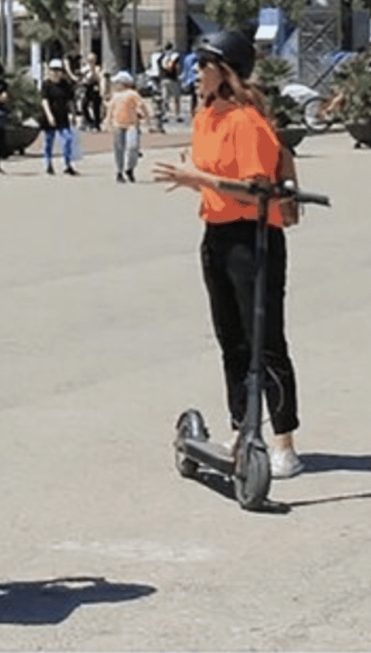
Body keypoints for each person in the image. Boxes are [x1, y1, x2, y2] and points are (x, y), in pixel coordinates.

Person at [152, 31, 305, 479]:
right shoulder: (205, 118)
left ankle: (284, 444)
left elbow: (257, 189)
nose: (195, 73)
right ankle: (242, 430)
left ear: (226, 71)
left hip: (253, 237)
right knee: (231, 341)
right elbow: (209, 173)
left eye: (203, 64)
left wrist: (197, 176)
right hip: (216, 235)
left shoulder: (247, 121)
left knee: (266, 341)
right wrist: (193, 176)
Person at [107, 70, 148, 183]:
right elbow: (111, 109)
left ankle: (130, 168)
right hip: (118, 124)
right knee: (119, 149)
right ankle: (119, 171)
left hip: (132, 125)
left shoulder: (133, 94)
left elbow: (141, 105)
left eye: (117, 83)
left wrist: (145, 116)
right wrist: (108, 121)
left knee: (132, 147)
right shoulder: (115, 96)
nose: (115, 85)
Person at [39, 59, 78, 176]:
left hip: (63, 116)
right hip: (50, 116)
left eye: (58, 70)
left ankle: (67, 164)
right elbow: (44, 101)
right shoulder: (46, 85)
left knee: (67, 139)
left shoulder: (66, 85)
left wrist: (74, 114)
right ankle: (48, 163)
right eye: (53, 70)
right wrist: (49, 115)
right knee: (48, 141)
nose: (56, 73)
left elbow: (70, 101)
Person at [80, 52, 105, 132]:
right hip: (87, 88)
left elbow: (100, 79)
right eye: (89, 60)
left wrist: (93, 70)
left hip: (95, 88)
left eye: (92, 60)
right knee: (84, 105)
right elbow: (82, 77)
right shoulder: (85, 68)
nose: (91, 61)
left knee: (96, 107)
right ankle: (89, 121)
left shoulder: (98, 68)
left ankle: (97, 124)